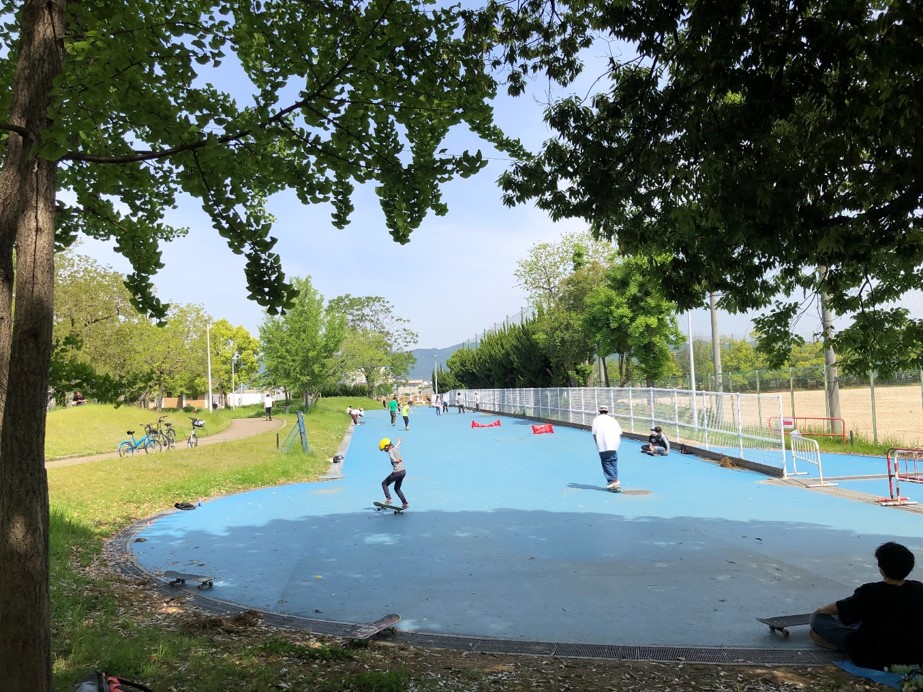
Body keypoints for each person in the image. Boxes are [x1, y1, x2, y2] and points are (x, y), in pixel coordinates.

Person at [810, 541, 923, 670]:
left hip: (872, 655)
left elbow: (836, 609)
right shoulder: (919, 589)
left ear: (881, 567)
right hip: (914, 655)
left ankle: (842, 646)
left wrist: (819, 612)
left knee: (819, 619)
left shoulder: (870, 591)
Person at [591, 404, 623, 492]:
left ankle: (612, 481)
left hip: (603, 445)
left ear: (599, 411)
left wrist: (597, 444)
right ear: (607, 411)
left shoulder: (596, 420)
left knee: (606, 462)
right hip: (614, 444)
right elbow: (620, 432)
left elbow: (594, 433)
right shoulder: (613, 420)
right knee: (613, 462)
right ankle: (615, 479)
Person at [378, 437, 409, 509]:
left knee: (384, 483)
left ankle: (389, 499)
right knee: (397, 488)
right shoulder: (395, 448)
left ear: (387, 446)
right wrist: (399, 441)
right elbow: (397, 445)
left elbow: (391, 456)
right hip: (403, 471)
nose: (385, 450)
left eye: (384, 449)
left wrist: (395, 460)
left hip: (397, 472)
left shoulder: (390, 451)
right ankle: (405, 503)